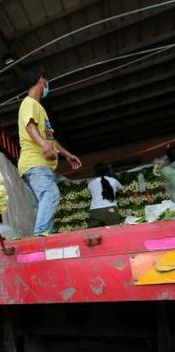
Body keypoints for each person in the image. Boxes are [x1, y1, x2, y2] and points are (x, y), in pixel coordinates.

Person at [18, 68, 82, 236]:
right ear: (41, 80)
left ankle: (43, 236)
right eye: (46, 80)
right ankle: (40, 237)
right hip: (35, 163)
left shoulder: (40, 109)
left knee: (44, 202)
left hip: (40, 165)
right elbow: (30, 126)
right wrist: (44, 146)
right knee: (51, 193)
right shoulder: (28, 103)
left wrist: (67, 154)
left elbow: (51, 139)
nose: (47, 84)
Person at [88, 163, 123, 228]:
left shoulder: (91, 183)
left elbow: (92, 194)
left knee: (95, 232)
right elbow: (121, 190)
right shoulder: (114, 181)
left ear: (95, 172)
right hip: (111, 209)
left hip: (96, 211)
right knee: (114, 231)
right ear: (107, 171)